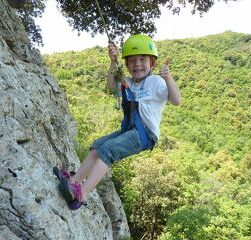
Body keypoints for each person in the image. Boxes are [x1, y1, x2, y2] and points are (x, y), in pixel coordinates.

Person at [53, 34, 181, 210]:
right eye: (132, 61)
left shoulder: (155, 82)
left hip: (146, 134)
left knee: (108, 151)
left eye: (143, 60)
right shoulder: (127, 81)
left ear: (152, 63)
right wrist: (113, 61)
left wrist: (168, 78)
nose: (137, 64)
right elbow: (112, 85)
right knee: (97, 147)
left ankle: (81, 194)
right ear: (127, 65)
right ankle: (74, 181)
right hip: (131, 129)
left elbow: (176, 101)